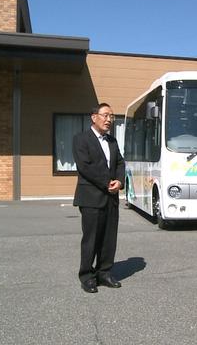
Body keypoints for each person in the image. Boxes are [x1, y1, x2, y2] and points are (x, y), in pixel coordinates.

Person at [73, 103, 125, 293]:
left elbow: (120, 162)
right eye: (105, 115)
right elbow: (85, 167)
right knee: (91, 239)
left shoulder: (112, 141)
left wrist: (119, 181)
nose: (109, 119)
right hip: (91, 197)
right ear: (94, 117)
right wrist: (107, 182)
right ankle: (87, 276)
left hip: (111, 197)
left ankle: (104, 273)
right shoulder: (81, 139)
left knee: (109, 239)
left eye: (111, 116)